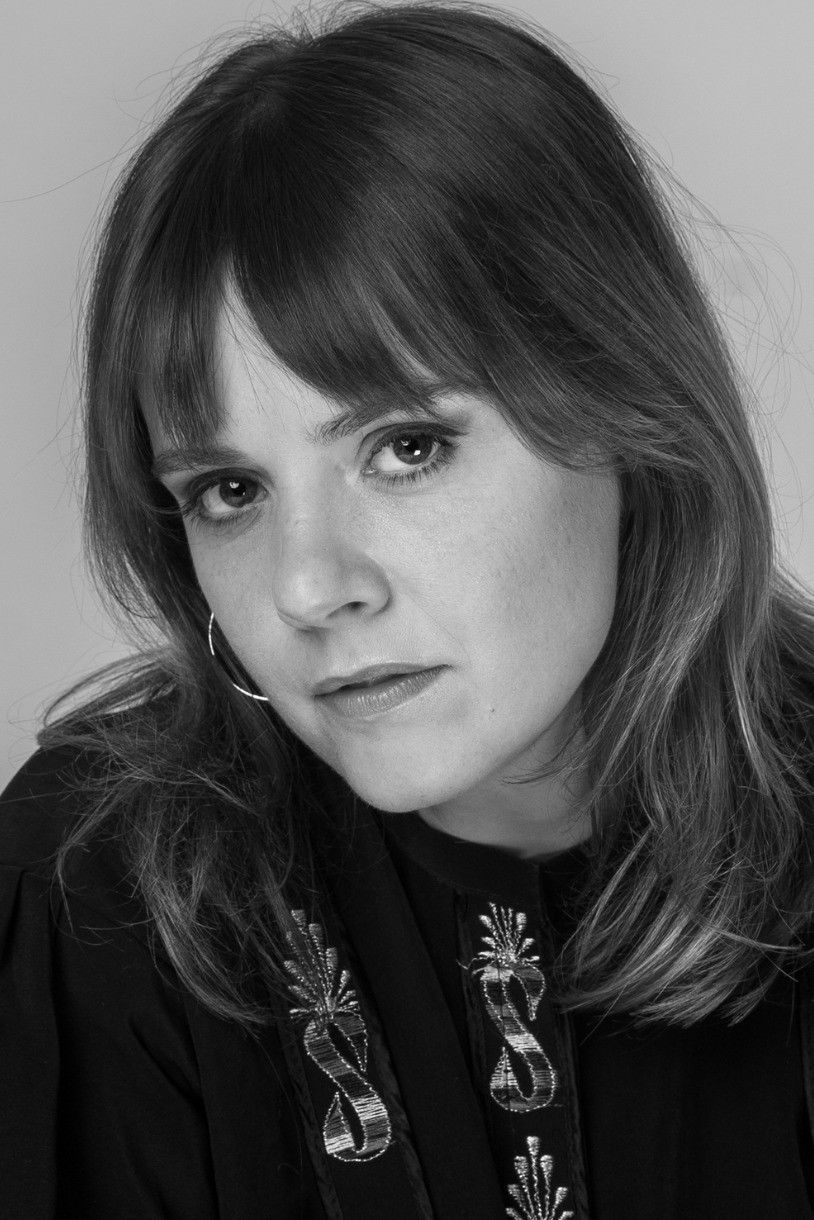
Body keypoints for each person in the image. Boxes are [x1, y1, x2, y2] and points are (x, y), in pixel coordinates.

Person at [2, 1, 814, 1215]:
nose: (308, 585)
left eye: (406, 447)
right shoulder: (95, 895)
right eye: (231, 490)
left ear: (621, 408)